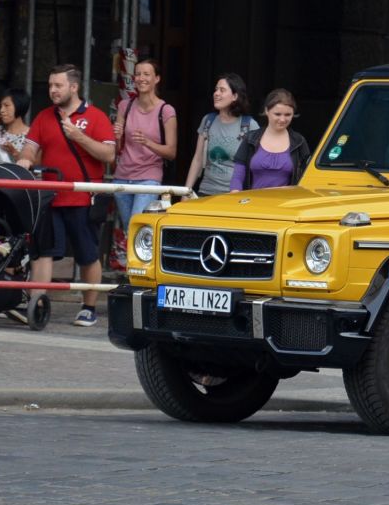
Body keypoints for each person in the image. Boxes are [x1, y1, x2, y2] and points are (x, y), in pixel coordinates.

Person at [16, 64, 115, 327]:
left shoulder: (96, 117)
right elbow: (29, 147)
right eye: (50, 85)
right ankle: (37, 303)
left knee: (87, 255)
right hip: (49, 197)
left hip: (83, 197)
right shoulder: (44, 117)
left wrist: (79, 137)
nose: (52, 90)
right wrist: (25, 160)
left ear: (74, 87)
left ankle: (88, 306)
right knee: (43, 252)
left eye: (58, 85)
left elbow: (108, 155)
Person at [111, 58, 177, 228]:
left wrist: (148, 143)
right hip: (122, 177)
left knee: (137, 227)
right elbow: (116, 150)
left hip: (149, 177)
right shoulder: (125, 106)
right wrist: (116, 136)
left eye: (147, 74)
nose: (141, 78)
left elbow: (171, 152)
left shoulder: (166, 110)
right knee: (129, 229)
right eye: (138, 74)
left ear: (157, 79)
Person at [183, 73, 258, 196]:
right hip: (206, 190)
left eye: (222, 90)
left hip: (234, 194)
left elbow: (256, 165)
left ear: (235, 96)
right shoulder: (208, 121)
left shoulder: (249, 125)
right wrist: (186, 192)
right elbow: (197, 159)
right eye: (216, 90)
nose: (216, 93)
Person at [230, 88, 311, 190]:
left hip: (285, 203)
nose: (282, 119)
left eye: (288, 115)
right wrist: (235, 196)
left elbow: (307, 178)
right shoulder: (250, 138)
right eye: (277, 114)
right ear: (266, 111)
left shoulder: (299, 142)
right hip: (252, 203)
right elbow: (237, 176)